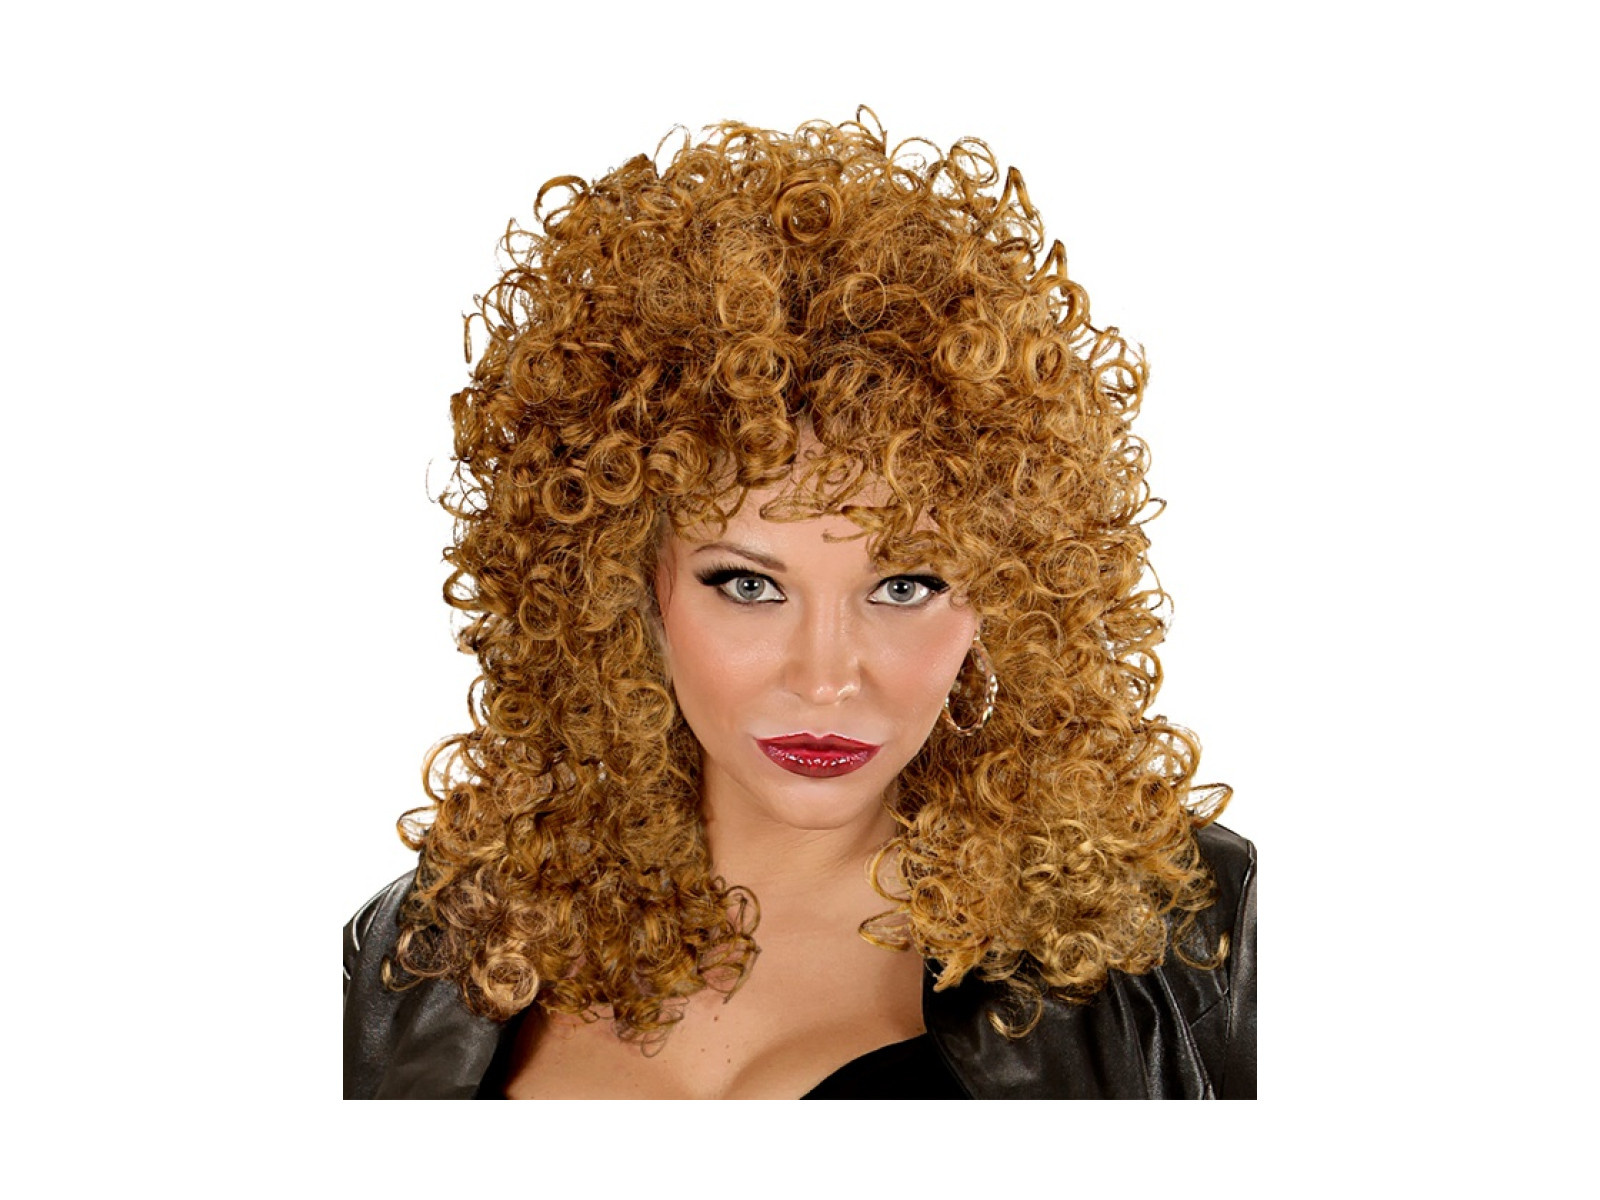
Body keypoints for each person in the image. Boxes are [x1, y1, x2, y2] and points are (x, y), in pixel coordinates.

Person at [342, 111, 1256, 1100]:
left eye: (904, 587)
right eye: (749, 585)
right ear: (619, 581)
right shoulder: (414, 961)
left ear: (1010, 591)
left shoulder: (1198, 938)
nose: (825, 678)